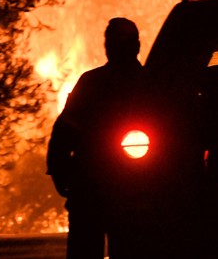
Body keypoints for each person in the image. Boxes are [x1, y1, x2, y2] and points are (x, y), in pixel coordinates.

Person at [47, 17, 148, 259]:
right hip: (132, 192)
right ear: (137, 46)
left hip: (94, 189)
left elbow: (63, 133)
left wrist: (60, 173)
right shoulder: (150, 85)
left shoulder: (92, 83)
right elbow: (65, 132)